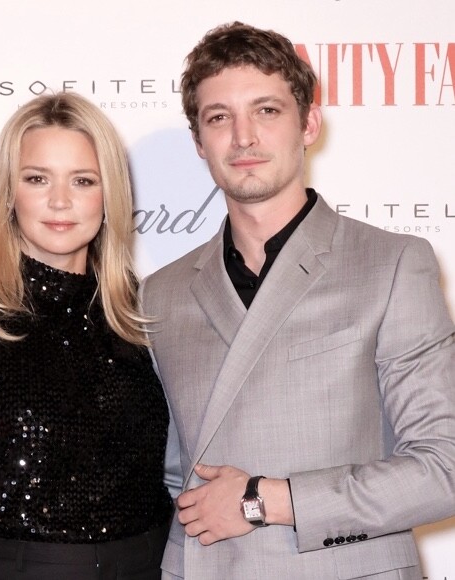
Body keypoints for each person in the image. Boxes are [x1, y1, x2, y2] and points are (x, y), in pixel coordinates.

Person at [140, 22, 455, 580]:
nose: (243, 138)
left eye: (266, 111)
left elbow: (443, 468)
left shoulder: (391, 264)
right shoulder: (161, 293)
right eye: (219, 118)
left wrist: (263, 500)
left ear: (308, 122)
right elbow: (168, 475)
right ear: (199, 143)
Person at [0, 92, 172, 580]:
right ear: (10, 193)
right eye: (37, 178)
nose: (60, 200)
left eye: (83, 181)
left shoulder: (142, 314)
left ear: (109, 195)